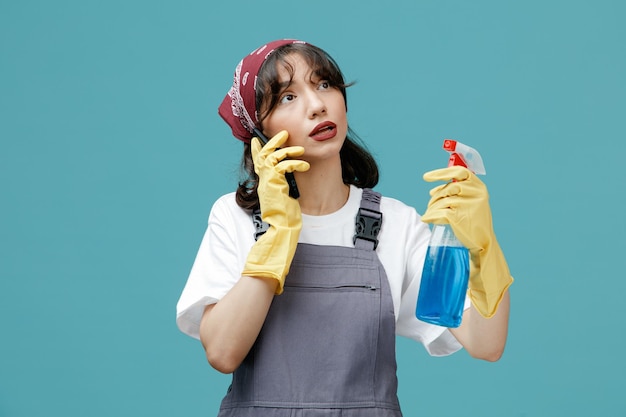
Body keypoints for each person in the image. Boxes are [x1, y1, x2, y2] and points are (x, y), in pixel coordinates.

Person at [176, 39, 513, 417]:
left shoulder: (395, 224)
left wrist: (483, 246)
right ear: (260, 130)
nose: (317, 104)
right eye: (288, 97)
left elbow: (486, 344)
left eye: (324, 84)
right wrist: (279, 235)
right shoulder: (235, 218)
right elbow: (222, 352)